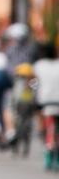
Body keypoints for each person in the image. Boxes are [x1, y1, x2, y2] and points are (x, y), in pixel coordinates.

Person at [33, 42, 59, 170]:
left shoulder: (38, 66)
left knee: (48, 127)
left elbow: (34, 83)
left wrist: (36, 93)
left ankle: (48, 152)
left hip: (45, 101)